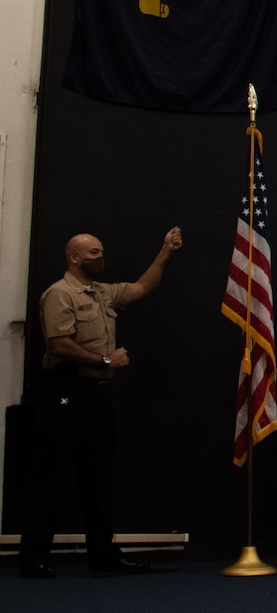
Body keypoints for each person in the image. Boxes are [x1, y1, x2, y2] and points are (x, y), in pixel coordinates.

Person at [18, 227, 184, 579]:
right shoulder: (59, 294)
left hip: (96, 398)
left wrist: (165, 251)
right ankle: (33, 558)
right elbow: (59, 345)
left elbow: (142, 287)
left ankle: (102, 557)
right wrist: (106, 361)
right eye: (93, 252)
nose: (100, 257)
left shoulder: (103, 293)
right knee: (50, 479)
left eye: (101, 251)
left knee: (98, 480)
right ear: (74, 257)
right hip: (65, 393)